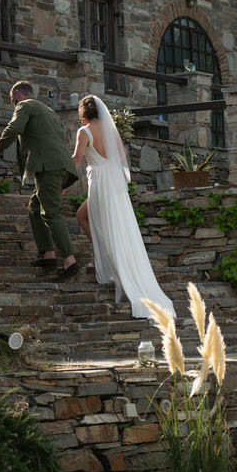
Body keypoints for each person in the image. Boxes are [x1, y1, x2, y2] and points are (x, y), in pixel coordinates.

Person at [72, 94, 176, 318]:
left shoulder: (85, 131)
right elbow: (122, 154)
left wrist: (62, 177)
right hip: (113, 184)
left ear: (83, 113)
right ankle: (104, 257)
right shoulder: (110, 130)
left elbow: (77, 159)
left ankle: (108, 260)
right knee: (106, 223)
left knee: (90, 219)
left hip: (99, 183)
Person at [0, 80, 79, 279]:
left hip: (49, 167)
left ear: (18, 95)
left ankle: (69, 260)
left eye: (13, 101)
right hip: (61, 166)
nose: (14, 105)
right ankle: (48, 253)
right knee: (34, 207)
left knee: (51, 212)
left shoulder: (25, 105)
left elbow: (13, 129)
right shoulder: (49, 111)